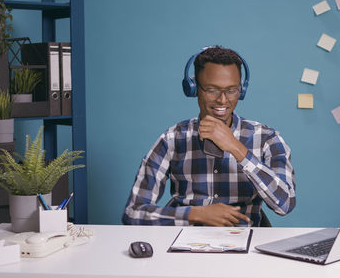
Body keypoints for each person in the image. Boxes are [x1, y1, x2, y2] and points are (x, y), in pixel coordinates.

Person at [122, 46, 296, 227]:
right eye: (212, 89)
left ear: (241, 90)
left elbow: (285, 204)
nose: (222, 100)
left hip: (244, 247)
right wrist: (194, 214)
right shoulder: (172, 139)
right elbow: (133, 213)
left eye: (231, 90)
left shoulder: (267, 138)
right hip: (185, 246)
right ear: (194, 88)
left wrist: (237, 148)